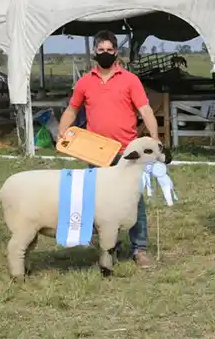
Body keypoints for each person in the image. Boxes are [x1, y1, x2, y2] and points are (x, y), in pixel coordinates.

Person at [56, 30, 160, 268]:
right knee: (98, 203)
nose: (104, 53)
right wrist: (62, 130)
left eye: (109, 50)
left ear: (116, 51)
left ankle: (140, 248)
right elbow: (72, 109)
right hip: (96, 153)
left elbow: (145, 110)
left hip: (128, 153)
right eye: (100, 50)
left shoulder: (130, 80)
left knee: (134, 202)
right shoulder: (85, 82)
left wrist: (153, 140)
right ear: (95, 52)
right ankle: (107, 249)